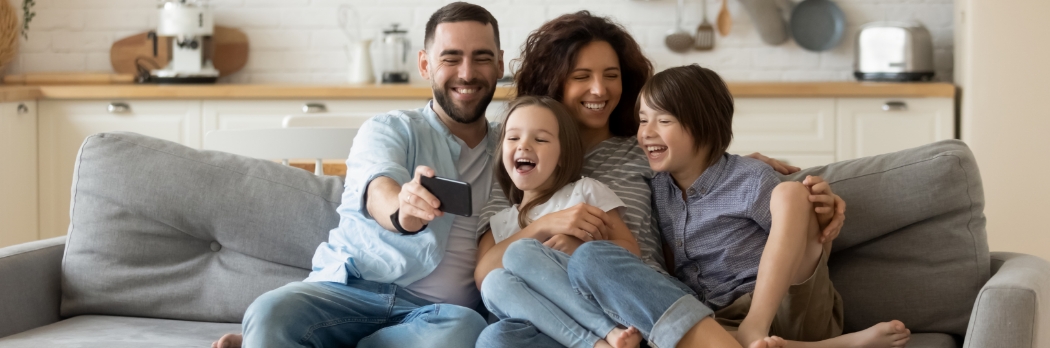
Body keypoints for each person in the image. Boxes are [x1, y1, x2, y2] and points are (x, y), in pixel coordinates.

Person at [474, 11, 825, 347]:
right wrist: (547, 224)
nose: (599, 90)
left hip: (639, 303)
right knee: (497, 338)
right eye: (582, 77)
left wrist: (741, 168)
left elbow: (700, 162)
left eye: (611, 75)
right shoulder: (518, 165)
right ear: (553, 82)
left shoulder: (644, 151)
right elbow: (486, 275)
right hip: (563, 317)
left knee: (593, 258)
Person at [211, 2, 505, 347]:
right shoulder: (389, 129)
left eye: (482, 58)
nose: (467, 73)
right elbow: (379, 188)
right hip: (347, 292)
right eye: (450, 58)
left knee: (465, 329)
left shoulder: (515, 149)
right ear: (425, 64)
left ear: (499, 63)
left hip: (433, 316)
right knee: (270, 311)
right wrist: (403, 211)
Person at [566, 65, 912, 348]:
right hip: (719, 320)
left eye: (664, 120)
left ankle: (757, 331)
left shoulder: (750, 179)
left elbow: (807, 239)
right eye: (643, 120)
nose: (646, 133)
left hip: (786, 305)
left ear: (703, 126)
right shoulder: (658, 188)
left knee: (791, 195)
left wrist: (818, 211)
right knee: (613, 282)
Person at [478, 96, 644, 348]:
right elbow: (482, 279)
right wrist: (544, 225)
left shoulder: (583, 193)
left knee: (520, 254)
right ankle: (595, 345)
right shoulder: (501, 222)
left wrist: (580, 249)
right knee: (494, 288)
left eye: (540, 139)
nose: (523, 146)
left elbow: (631, 252)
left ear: (563, 155)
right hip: (541, 331)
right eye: (513, 138)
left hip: (594, 313)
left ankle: (607, 333)